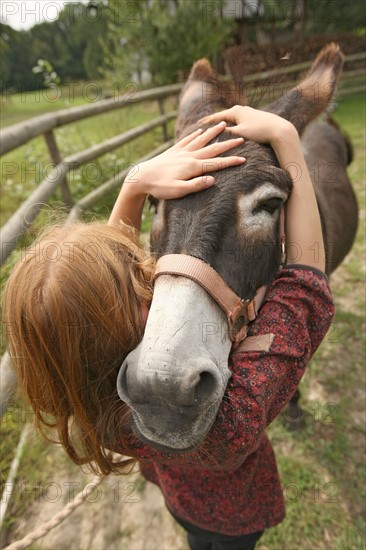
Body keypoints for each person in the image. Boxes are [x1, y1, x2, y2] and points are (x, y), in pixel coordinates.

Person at [3, 108, 334, 550]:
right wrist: (287, 137)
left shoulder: (96, 407)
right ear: (121, 320)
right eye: (143, 285)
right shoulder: (237, 417)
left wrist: (134, 184)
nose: (155, 294)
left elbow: (101, 307)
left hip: (179, 504)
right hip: (243, 518)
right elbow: (304, 283)